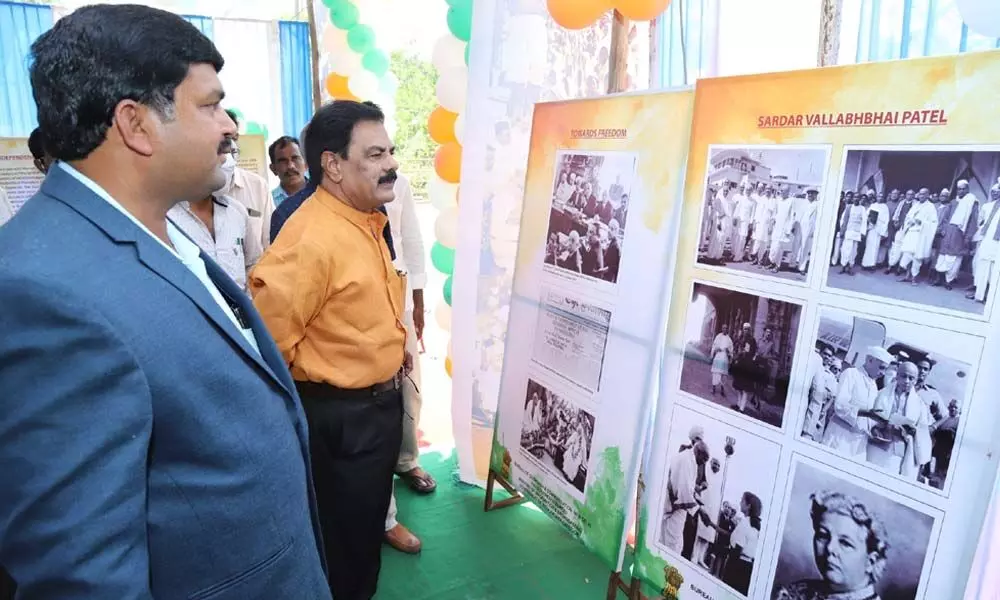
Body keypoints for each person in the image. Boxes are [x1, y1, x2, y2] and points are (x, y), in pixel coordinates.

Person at [0, 6, 329, 598]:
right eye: (209, 105)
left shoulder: (153, 225)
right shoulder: (41, 290)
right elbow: (83, 578)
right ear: (136, 124)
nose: (229, 125)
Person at [250, 100, 408, 600]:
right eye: (376, 153)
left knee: (360, 543)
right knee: (345, 552)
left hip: (376, 412)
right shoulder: (310, 239)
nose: (392, 164)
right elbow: (268, 349)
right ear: (333, 165)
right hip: (341, 422)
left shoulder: (364, 220)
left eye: (391, 151)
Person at [383, 171, 434, 556]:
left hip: (399, 301)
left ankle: (407, 460)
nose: (389, 159)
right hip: (362, 305)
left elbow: (412, 242)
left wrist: (417, 304)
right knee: (374, 403)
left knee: (409, 391)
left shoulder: (398, 183)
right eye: (377, 150)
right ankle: (381, 507)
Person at [167, 149, 263, 292]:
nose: (226, 160)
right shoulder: (167, 217)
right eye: (220, 151)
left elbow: (253, 264)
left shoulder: (236, 211)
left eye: (230, 152)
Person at [773, 491, 888, 600]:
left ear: (871, 562)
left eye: (845, 543)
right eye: (823, 535)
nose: (830, 548)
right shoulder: (794, 593)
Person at [822, 347, 892, 460]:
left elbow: (870, 416)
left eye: (885, 370)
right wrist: (866, 413)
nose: (883, 373)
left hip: (858, 444)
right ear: (870, 360)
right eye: (881, 368)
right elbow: (840, 405)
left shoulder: (874, 385)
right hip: (840, 436)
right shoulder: (851, 374)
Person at [866, 361, 932, 479]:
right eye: (904, 376)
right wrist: (877, 426)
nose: (907, 381)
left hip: (897, 452)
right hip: (876, 445)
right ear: (897, 376)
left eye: (911, 378)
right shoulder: (880, 394)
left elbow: (922, 433)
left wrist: (911, 431)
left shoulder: (920, 405)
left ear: (915, 380)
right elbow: (869, 417)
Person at [222, 109, 275, 250]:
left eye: (233, 138)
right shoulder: (194, 189)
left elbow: (269, 242)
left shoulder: (258, 186)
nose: (231, 146)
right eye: (224, 139)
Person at [933, 181, 979, 290]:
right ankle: (939, 279)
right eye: (959, 189)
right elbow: (945, 217)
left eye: (963, 189)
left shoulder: (972, 202)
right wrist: (943, 229)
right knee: (943, 256)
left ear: (968, 189)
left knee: (954, 258)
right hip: (948, 232)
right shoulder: (953, 202)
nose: (961, 191)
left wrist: (968, 236)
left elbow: (973, 222)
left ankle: (949, 281)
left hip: (960, 234)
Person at [898, 188, 939, 284]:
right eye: (920, 194)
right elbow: (908, 217)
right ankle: (907, 275)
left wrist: (922, 222)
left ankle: (914, 278)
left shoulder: (930, 207)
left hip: (920, 234)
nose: (921, 196)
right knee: (907, 254)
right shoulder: (915, 205)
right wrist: (910, 222)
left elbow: (933, 222)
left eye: (924, 194)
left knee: (916, 257)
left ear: (928, 195)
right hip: (911, 232)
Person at [270, 135, 308, 206]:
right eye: (283, 161)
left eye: (295, 158)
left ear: (306, 164)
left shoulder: (321, 194)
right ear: (273, 169)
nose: (290, 166)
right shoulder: (269, 201)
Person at [710, 324, 734, 398]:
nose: (725, 329)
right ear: (722, 328)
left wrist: (728, 352)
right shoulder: (718, 336)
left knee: (723, 375)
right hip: (718, 357)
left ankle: (722, 390)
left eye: (726, 328)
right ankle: (713, 388)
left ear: (727, 329)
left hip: (724, 359)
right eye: (723, 328)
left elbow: (731, 351)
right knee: (715, 373)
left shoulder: (729, 339)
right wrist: (714, 352)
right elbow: (714, 346)